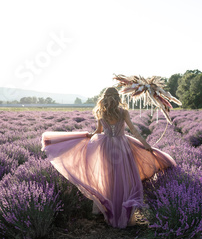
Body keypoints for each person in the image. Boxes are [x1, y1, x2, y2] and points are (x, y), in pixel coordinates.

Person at [41, 87, 176, 228]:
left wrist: (87, 136)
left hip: (106, 148)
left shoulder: (101, 113)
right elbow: (134, 130)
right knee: (123, 179)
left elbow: (98, 132)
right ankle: (123, 212)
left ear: (104, 98)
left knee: (109, 179)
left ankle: (111, 211)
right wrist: (146, 144)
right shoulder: (123, 112)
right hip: (122, 147)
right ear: (118, 98)